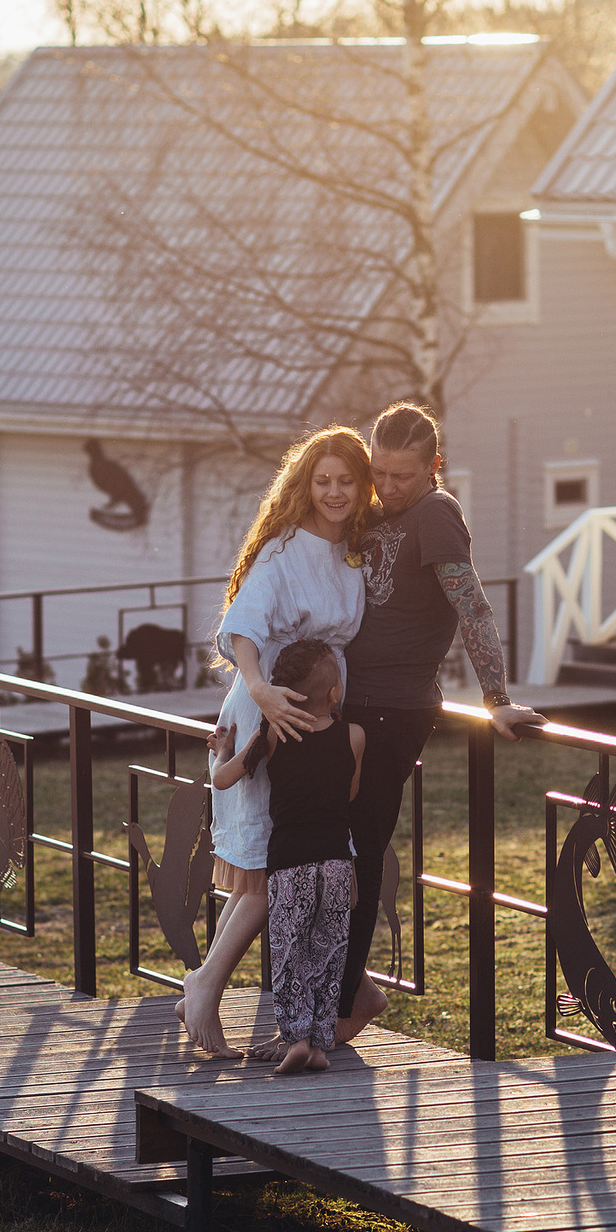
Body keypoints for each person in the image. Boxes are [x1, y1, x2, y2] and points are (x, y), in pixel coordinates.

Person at [334, 402, 545, 1040]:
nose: (387, 486)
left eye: (402, 475)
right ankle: (352, 989)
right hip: (345, 701)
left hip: (395, 708)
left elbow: (472, 607)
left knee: (361, 848)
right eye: (379, 472)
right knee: (327, 849)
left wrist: (496, 698)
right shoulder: (375, 510)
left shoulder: (436, 513)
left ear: (434, 467)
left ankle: (343, 1008)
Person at [178, 426, 374, 1057]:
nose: (335, 492)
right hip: (276, 706)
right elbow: (245, 624)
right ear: (304, 485)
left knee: (277, 862)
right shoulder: (284, 547)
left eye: (346, 481)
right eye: (323, 481)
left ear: (362, 484)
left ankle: (342, 988)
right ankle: (206, 987)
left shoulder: (355, 546)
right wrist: (260, 688)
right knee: (272, 862)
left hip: (318, 706)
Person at [209, 638, 363, 1073]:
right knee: (330, 953)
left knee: (291, 953)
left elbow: (223, 779)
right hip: (336, 863)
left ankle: (296, 1039)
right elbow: (350, 794)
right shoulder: (355, 736)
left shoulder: (273, 734)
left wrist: (222, 749)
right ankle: (320, 1043)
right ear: (335, 692)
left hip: (289, 864)